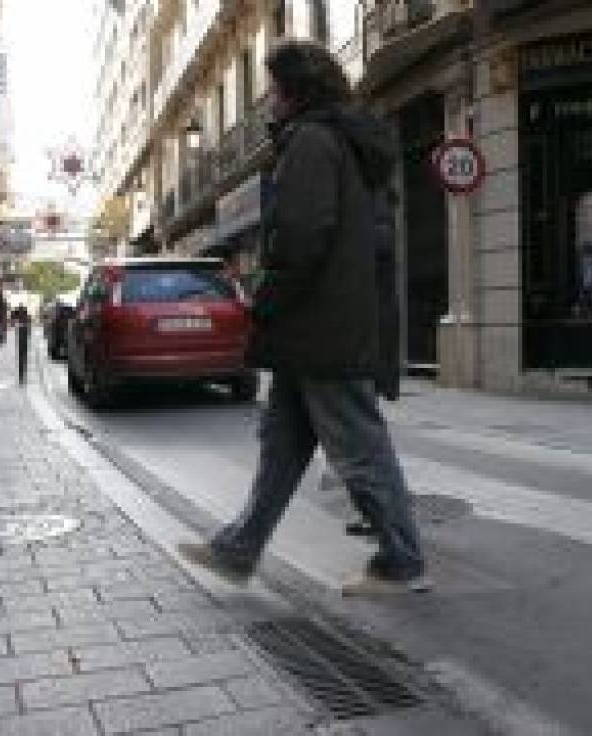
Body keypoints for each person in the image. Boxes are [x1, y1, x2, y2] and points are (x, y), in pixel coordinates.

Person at [180, 40, 428, 595]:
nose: (265, 98)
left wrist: (264, 302)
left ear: (293, 92)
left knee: (358, 448)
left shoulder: (314, 143)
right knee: (282, 447)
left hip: (321, 327)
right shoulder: (336, 141)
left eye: (271, 87)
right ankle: (239, 550)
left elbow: (300, 238)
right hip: (317, 327)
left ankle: (402, 561)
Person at [10, 303, 31, 384]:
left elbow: (12, 320)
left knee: (21, 355)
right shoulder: (26, 319)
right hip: (23, 336)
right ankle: (22, 375)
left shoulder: (22, 321)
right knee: (23, 355)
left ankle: (22, 376)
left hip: (21, 336)